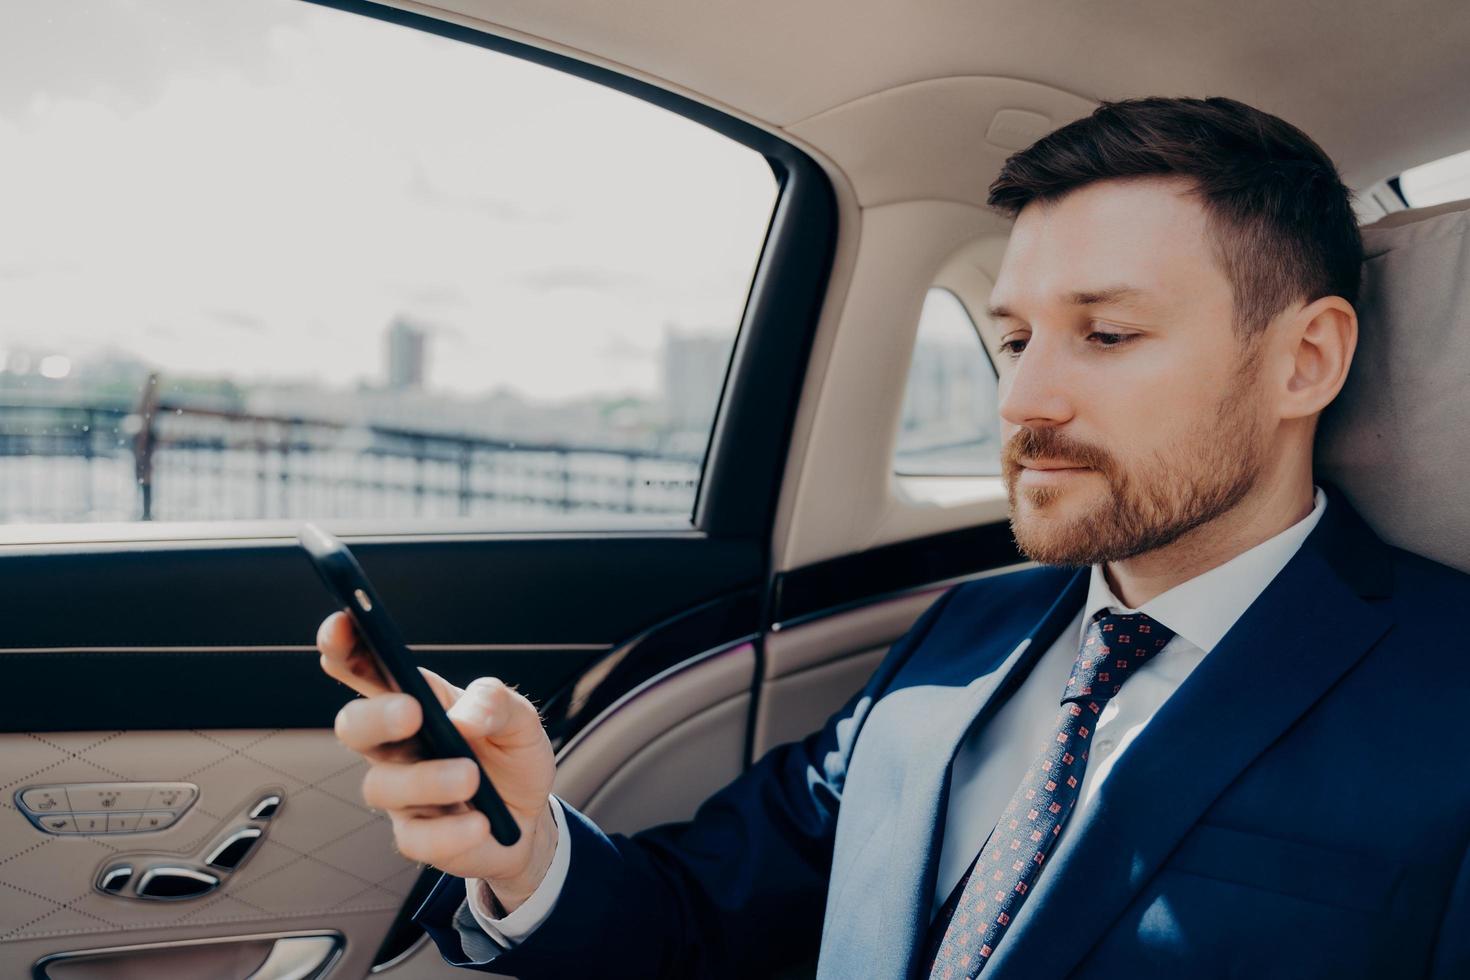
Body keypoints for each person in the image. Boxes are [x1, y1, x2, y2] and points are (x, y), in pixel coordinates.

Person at [317, 97, 1470, 979]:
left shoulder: (1450, 690)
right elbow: (707, 916)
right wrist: (523, 850)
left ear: (1305, 359)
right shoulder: (964, 632)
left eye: (1108, 334)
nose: (1022, 400)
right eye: (1015, 340)